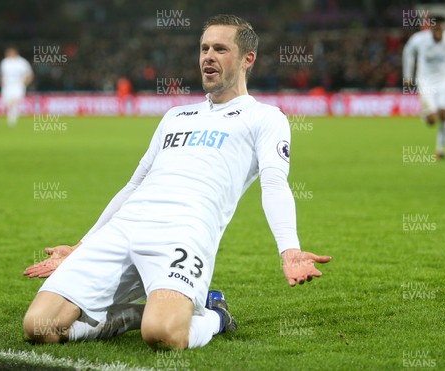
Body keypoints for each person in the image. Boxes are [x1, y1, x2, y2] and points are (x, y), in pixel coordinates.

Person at [23, 14, 331, 350]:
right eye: (204, 48)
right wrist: (81, 246)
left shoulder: (265, 117)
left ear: (247, 59)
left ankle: (215, 315)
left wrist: (289, 250)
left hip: (183, 232)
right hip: (125, 227)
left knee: (164, 335)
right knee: (38, 327)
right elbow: (133, 186)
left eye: (220, 49)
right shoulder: (175, 116)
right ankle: (130, 316)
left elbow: (274, 183)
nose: (208, 57)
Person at [402, 15, 445, 159]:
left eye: (440, 28)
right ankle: (426, 114)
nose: (438, 31)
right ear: (430, 28)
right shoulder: (419, 39)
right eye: (435, 28)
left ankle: (441, 150)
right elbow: (408, 53)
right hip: (426, 81)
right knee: (431, 120)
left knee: (444, 115)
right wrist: (407, 76)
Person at [0, 47, 33, 126]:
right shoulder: (5, 62)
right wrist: (1, 81)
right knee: (6, 102)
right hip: (7, 84)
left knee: (16, 101)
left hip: (18, 84)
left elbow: (30, 74)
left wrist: (25, 83)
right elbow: (1, 74)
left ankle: (12, 118)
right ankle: (11, 115)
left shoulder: (22, 62)